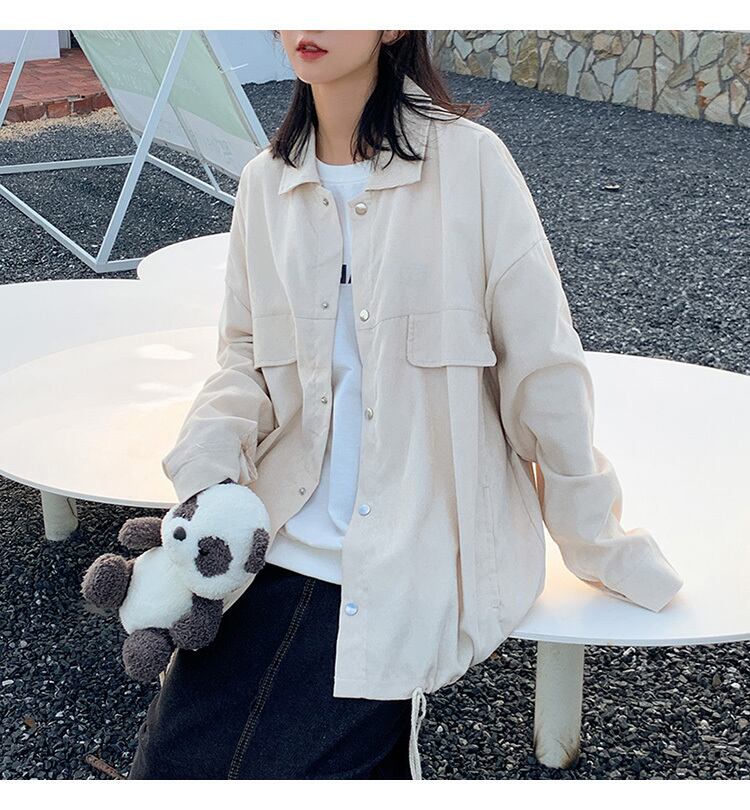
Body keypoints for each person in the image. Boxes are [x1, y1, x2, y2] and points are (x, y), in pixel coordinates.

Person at [128, 30, 684, 780]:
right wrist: (206, 480)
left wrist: (596, 539)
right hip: (272, 535)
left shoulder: (472, 166)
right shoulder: (265, 184)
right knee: (170, 764)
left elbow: (543, 373)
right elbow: (244, 362)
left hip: (413, 550)